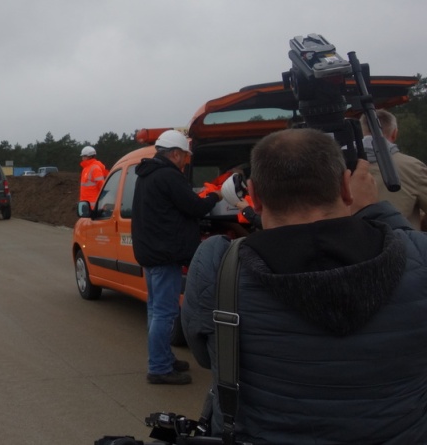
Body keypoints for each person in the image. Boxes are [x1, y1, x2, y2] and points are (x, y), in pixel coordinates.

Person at [182, 128, 427, 443]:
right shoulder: (419, 254)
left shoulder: (217, 266)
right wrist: (377, 210)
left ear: (253, 197)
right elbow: (411, 250)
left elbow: (205, 356)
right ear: (345, 188)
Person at [131, 129, 221, 385]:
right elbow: (194, 207)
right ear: (174, 154)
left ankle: (164, 358)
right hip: (165, 255)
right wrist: (215, 196)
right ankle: (159, 368)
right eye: (184, 156)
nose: (186, 161)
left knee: (155, 310)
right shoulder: (169, 176)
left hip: (151, 254)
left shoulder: (147, 175)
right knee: (165, 313)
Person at [361, 109, 427, 231]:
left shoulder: (340, 165)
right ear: (394, 133)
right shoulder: (413, 167)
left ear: (361, 132)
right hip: (404, 247)